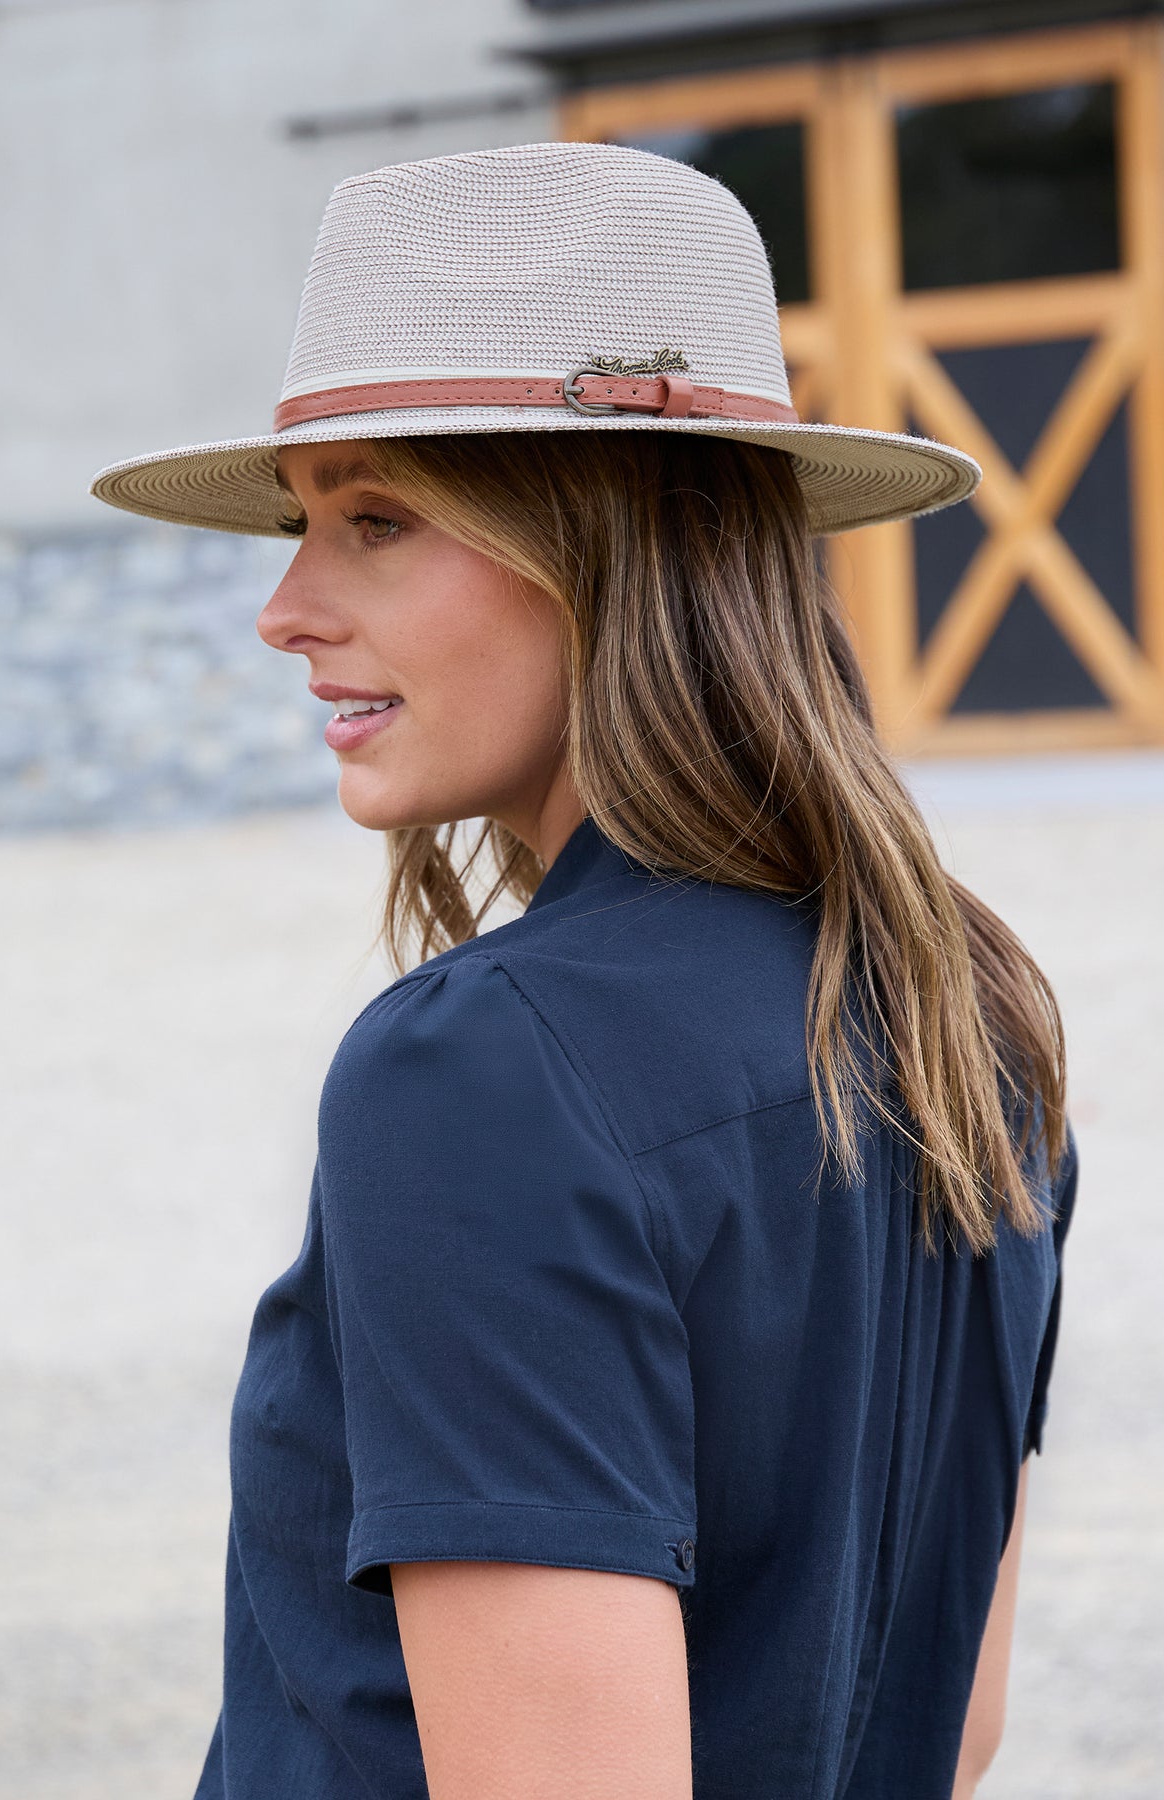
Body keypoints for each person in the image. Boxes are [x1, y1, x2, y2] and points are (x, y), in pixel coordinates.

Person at [90, 141, 1079, 1800]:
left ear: (608, 548)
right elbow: (951, 1721)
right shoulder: (968, 1013)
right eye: (299, 523)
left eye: (377, 521)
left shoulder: (485, 1066)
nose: (284, 607)